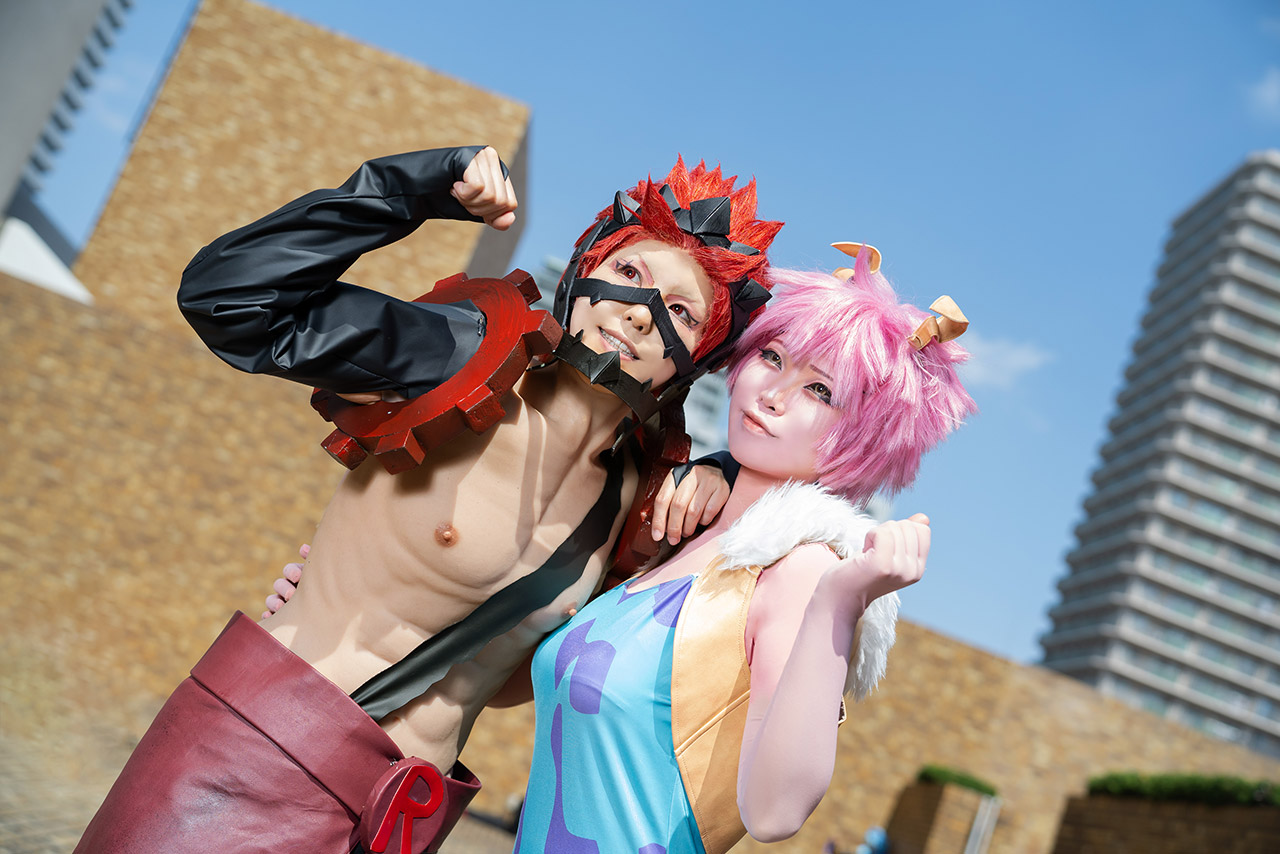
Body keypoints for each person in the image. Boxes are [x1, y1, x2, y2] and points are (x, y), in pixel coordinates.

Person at [74, 146, 781, 854]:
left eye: (681, 310)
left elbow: (507, 680)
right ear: (584, 270)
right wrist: (416, 185)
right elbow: (227, 297)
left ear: (702, 355)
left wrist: (728, 471)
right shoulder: (464, 363)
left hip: (404, 819)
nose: (640, 314)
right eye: (629, 274)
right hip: (258, 764)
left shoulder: (641, 497)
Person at [511, 248, 977, 853]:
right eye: (772, 357)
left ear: (868, 435)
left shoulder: (804, 568)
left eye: (820, 390)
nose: (774, 393)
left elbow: (776, 812)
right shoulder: (687, 531)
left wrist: (838, 603)